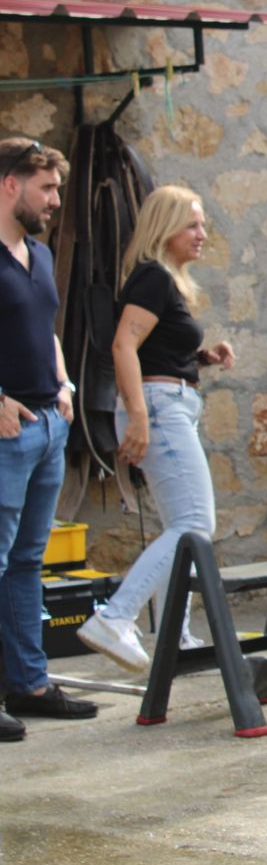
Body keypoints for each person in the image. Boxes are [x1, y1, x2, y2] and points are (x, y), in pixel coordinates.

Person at [73, 185, 235, 673]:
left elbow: (151, 349)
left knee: (181, 527)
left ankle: (173, 635)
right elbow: (123, 347)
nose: (202, 234)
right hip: (159, 409)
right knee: (194, 525)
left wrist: (201, 358)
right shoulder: (152, 278)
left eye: (202, 224)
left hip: (167, 402)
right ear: (164, 229)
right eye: (192, 224)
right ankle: (114, 618)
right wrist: (138, 415)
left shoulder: (163, 281)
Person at [0, 136, 98, 738]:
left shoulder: (36, 253)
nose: (56, 200)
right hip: (6, 436)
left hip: (46, 428)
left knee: (27, 563)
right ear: (10, 184)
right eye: (47, 188)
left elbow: (47, 329)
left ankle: (28, 684)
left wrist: (64, 386)